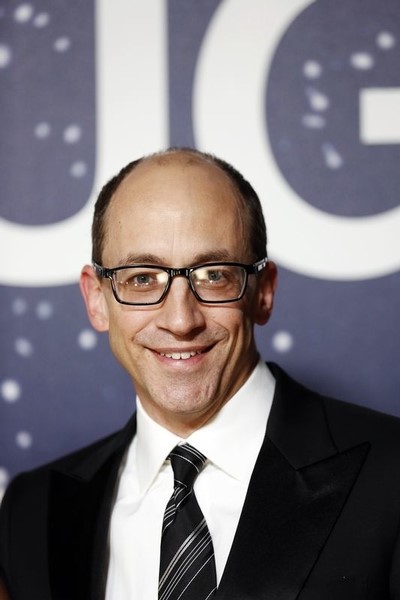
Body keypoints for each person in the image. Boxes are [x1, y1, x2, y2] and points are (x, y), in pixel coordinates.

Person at [1, 147, 400, 600]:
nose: (180, 319)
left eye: (214, 275)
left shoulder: (390, 476)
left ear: (264, 292)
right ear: (96, 300)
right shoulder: (32, 512)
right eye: (142, 278)